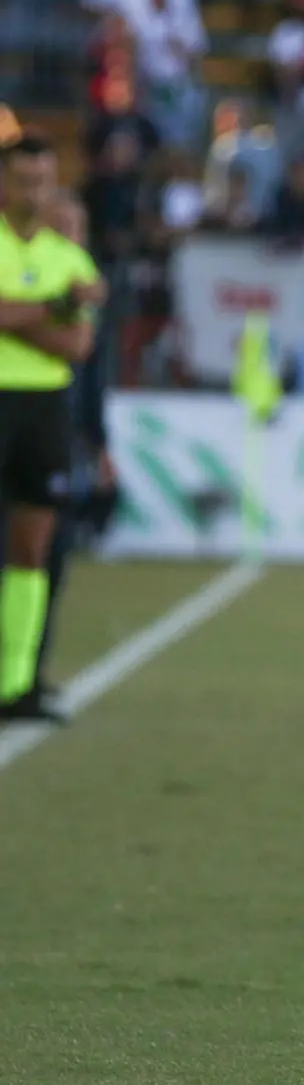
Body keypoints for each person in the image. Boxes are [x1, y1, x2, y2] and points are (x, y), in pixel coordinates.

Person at [0, 137, 104, 724]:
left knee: (32, 549)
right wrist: (55, 305)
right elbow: (61, 322)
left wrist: (16, 313)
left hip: (43, 406)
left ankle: (16, 684)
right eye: (22, 180)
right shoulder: (65, 278)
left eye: (42, 181)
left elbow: (77, 344)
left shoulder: (69, 258)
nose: (33, 193)